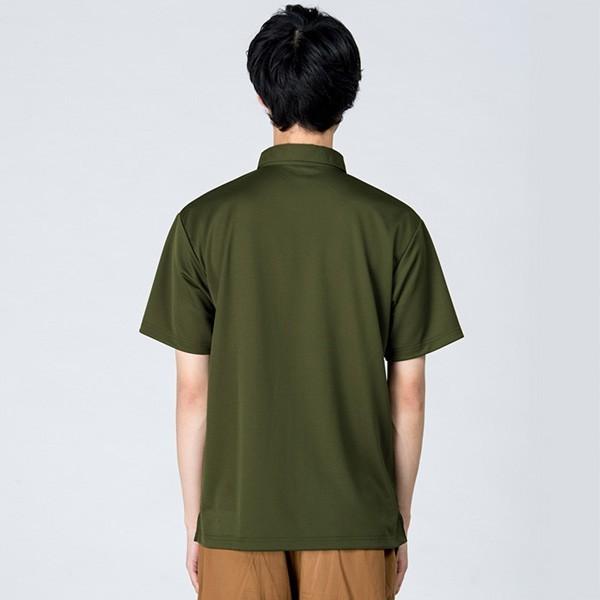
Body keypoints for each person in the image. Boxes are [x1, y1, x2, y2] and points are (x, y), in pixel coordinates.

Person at [139, 4, 464, 599]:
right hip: (355, 517)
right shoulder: (396, 226)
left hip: (239, 520)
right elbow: (408, 392)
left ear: (262, 97)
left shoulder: (201, 223)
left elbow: (193, 394)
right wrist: (396, 520)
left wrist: (197, 524)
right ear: (348, 97)